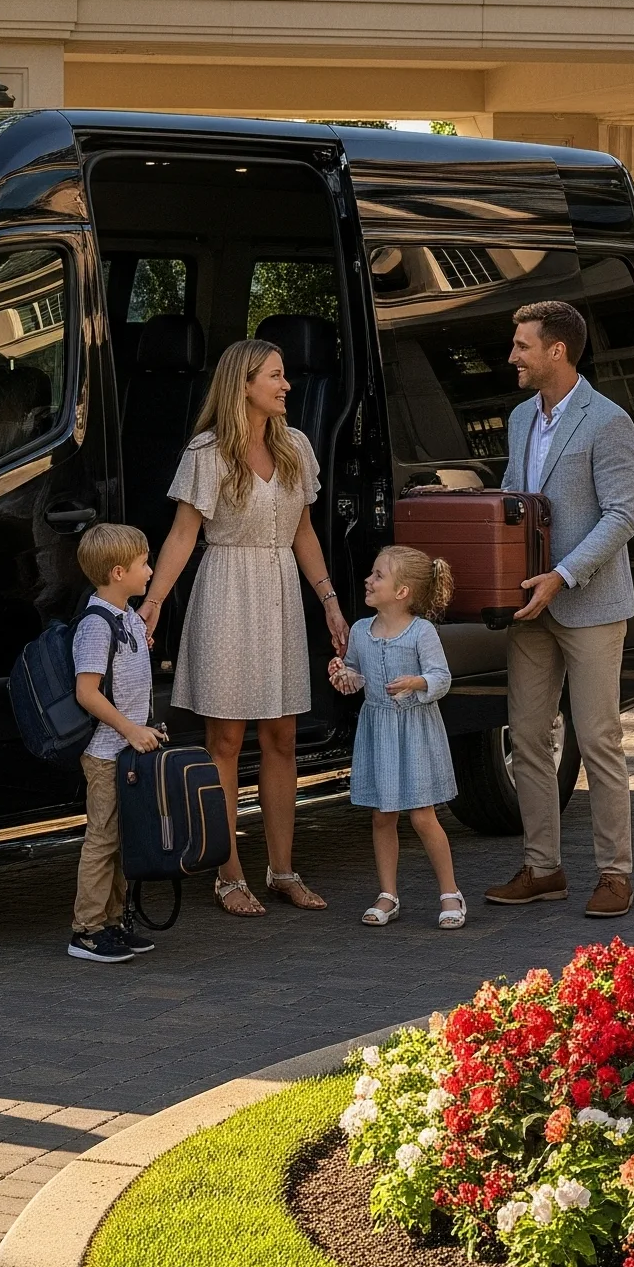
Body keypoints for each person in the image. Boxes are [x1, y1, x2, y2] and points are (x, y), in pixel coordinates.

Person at [141, 338, 349, 917]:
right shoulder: (206, 452)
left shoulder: (295, 446)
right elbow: (183, 535)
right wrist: (153, 601)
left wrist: (330, 601)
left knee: (282, 736)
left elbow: (303, 532)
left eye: (284, 375)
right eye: (275, 376)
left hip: (280, 593)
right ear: (244, 384)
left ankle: (282, 870)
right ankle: (228, 873)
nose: (287, 385)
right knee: (226, 741)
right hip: (226, 592)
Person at [485, 298, 634, 919]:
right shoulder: (521, 416)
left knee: (598, 739)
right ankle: (543, 868)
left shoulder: (608, 421)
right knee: (527, 737)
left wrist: (563, 576)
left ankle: (615, 875)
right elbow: (515, 497)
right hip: (530, 606)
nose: (512, 356)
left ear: (557, 350)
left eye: (522, 346)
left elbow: (621, 516)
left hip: (591, 603)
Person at [331, 545, 464, 931]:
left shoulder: (422, 632)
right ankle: (387, 894)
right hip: (379, 731)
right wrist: (343, 675)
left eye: (378, 576)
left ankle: (450, 892)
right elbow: (356, 677)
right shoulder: (360, 631)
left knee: (422, 815)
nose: (368, 580)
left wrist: (417, 682)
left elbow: (441, 678)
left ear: (402, 591)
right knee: (382, 815)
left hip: (415, 731)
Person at [66, 522, 162, 965]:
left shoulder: (127, 617)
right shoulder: (95, 625)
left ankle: (113, 922)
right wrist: (130, 729)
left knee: (123, 840)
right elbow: (87, 692)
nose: (150, 571)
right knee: (102, 840)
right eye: (144, 563)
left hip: (126, 753)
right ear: (119, 572)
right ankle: (86, 930)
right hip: (106, 754)